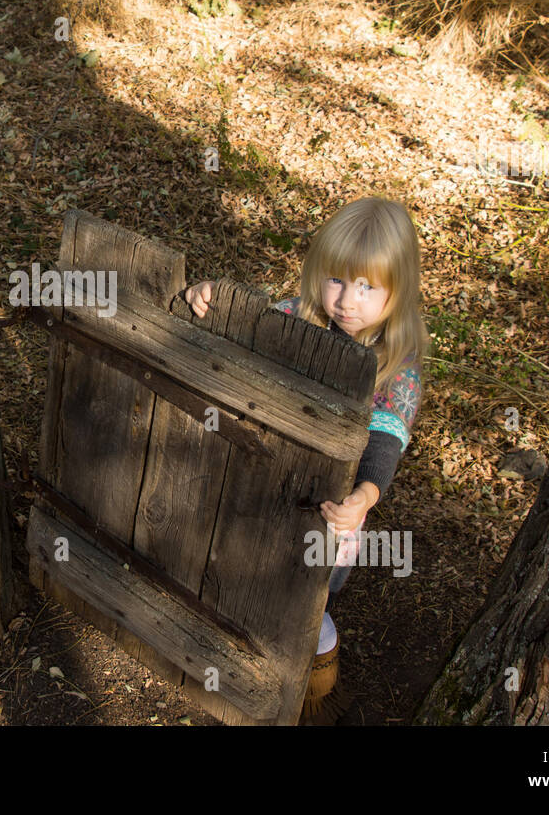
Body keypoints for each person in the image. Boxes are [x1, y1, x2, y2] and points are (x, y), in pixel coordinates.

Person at [182, 197, 428, 723]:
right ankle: (230, 644)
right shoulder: (296, 317)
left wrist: (363, 497)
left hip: (330, 500)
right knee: (245, 556)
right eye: (336, 280)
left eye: (368, 287)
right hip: (271, 471)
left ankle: (307, 667)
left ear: (397, 292)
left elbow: (385, 443)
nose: (346, 300)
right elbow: (240, 333)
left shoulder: (395, 364)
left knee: (308, 590)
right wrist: (206, 296)